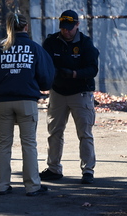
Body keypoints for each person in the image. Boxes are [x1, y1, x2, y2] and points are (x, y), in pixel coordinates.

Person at [0, 12, 55, 196]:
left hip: (3, 102)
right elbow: (46, 77)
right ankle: (32, 186)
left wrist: (3, 85)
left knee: (3, 144)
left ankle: (1, 185)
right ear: (26, 27)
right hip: (26, 101)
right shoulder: (34, 48)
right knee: (29, 144)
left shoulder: (0, 47)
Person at [40, 10, 99, 184]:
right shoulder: (51, 42)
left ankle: (88, 170)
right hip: (58, 92)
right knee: (54, 132)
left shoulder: (86, 44)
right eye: (63, 28)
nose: (66, 32)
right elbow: (44, 63)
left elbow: (92, 69)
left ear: (77, 25)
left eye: (69, 28)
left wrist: (74, 74)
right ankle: (53, 168)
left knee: (85, 133)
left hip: (80, 92)